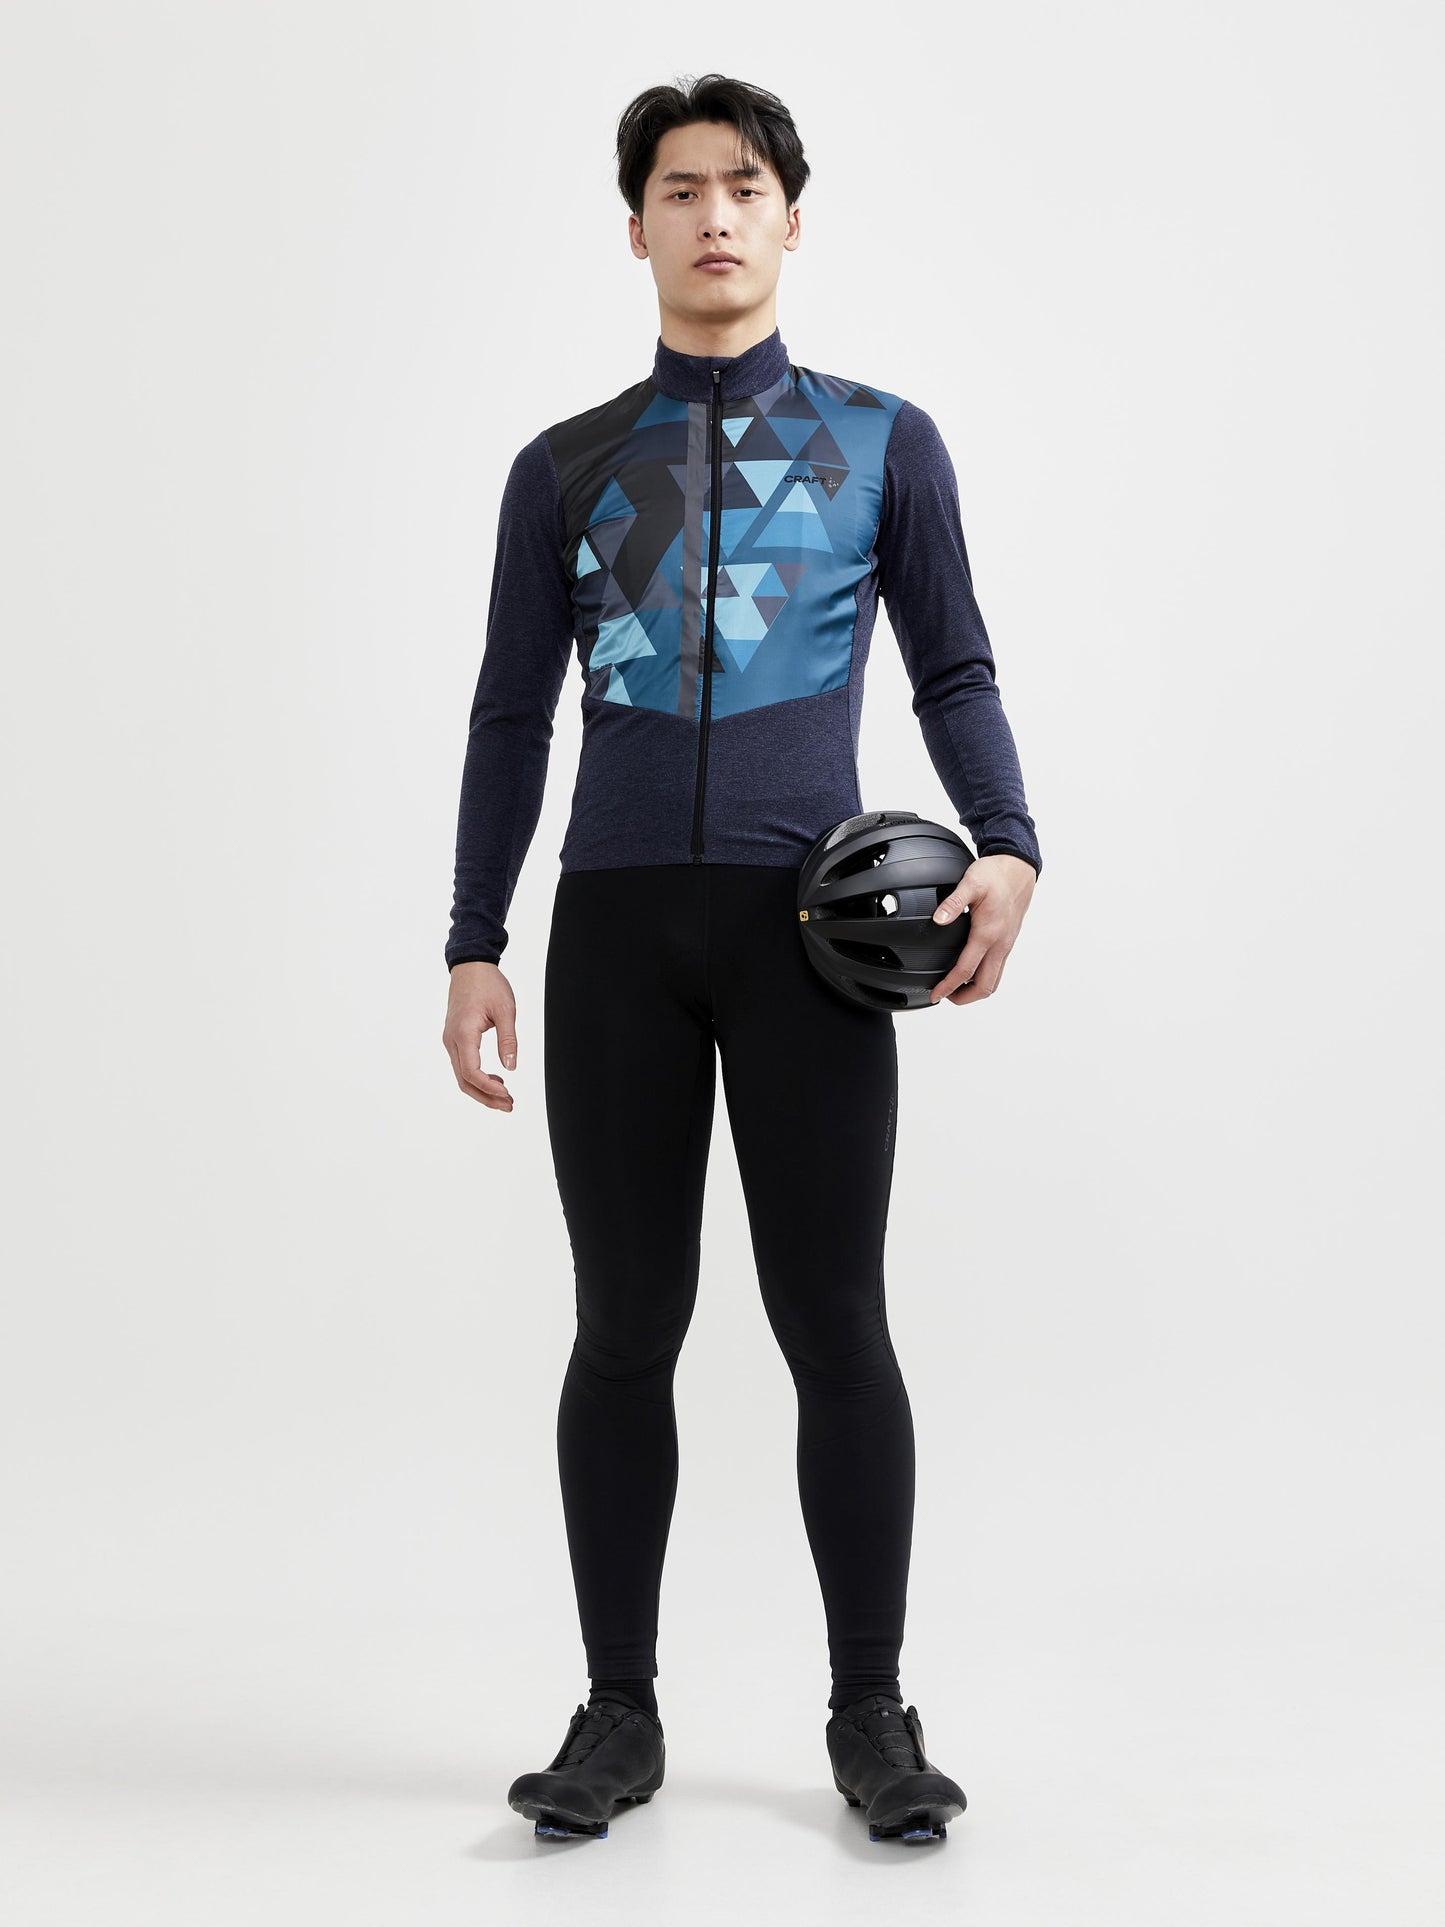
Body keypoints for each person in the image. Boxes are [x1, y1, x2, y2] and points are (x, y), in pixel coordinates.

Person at [441, 73, 1042, 1843]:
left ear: (791, 218)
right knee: (624, 1327)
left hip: (811, 944)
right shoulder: (564, 466)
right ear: (633, 226)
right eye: (680, 188)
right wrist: (472, 940)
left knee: (833, 1322)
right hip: (616, 932)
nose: (713, 215)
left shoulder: (882, 443)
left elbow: (953, 668)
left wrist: (1008, 840)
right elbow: (507, 715)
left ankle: (872, 1711)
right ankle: (616, 1710)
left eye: (745, 187)